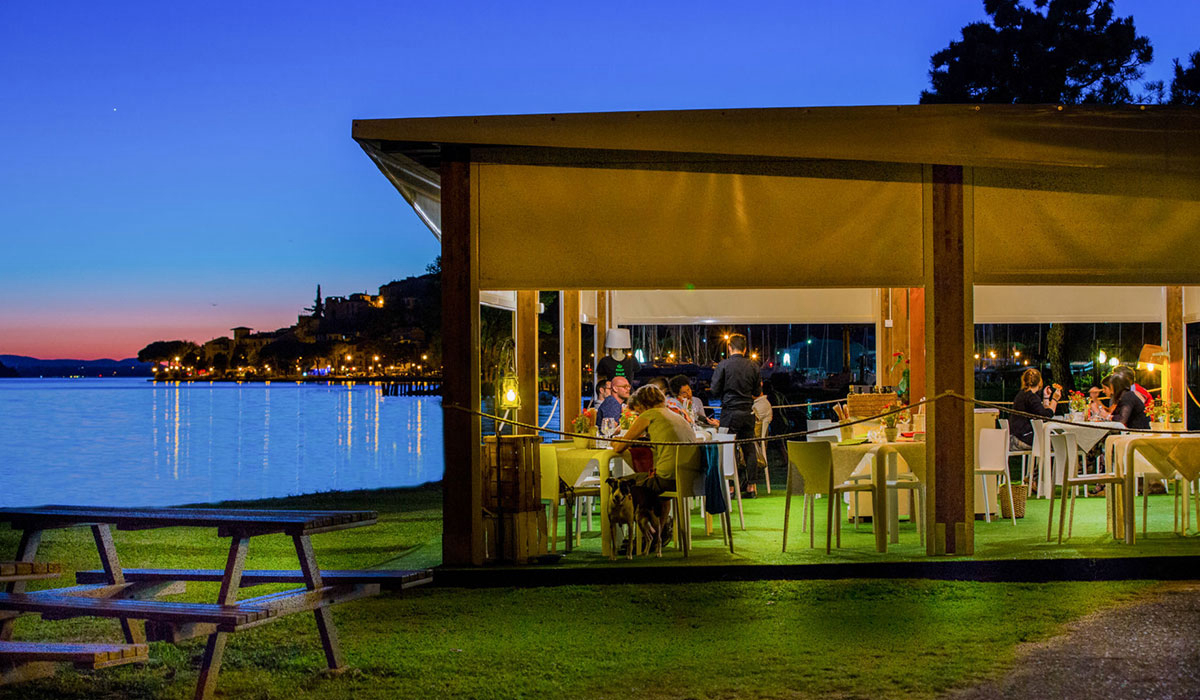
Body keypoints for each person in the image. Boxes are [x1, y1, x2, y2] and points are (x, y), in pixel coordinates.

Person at [612, 385, 697, 497]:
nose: (639, 415)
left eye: (638, 412)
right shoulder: (675, 415)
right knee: (649, 479)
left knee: (616, 485)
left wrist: (613, 441)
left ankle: (629, 514)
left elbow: (619, 447)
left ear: (641, 405)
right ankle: (653, 515)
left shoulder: (649, 414)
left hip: (668, 480)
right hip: (691, 478)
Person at [711, 333, 760, 497]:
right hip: (747, 411)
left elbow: (714, 389)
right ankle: (751, 486)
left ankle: (731, 486)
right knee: (749, 449)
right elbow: (757, 392)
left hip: (730, 411)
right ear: (745, 349)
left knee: (728, 449)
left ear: (729, 347)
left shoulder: (723, 365)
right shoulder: (753, 366)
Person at [1008, 368, 1059, 451]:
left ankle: (1041, 463)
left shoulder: (1022, 395)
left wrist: (1046, 397)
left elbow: (1042, 413)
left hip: (1014, 437)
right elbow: (1046, 417)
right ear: (1040, 382)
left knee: (1053, 439)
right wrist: (1055, 399)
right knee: (1060, 442)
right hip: (1022, 439)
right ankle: (1071, 463)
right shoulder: (1031, 397)